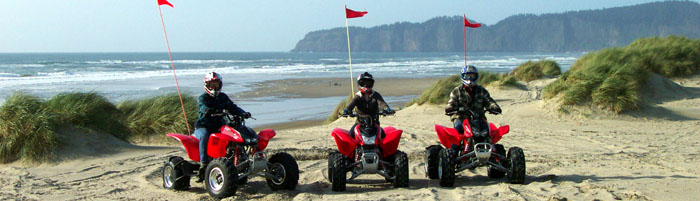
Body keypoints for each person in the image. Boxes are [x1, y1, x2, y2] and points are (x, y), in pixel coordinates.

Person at [194, 72, 251, 182]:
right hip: (203, 126)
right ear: (206, 85)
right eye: (211, 85)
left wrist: (243, 113)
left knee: (234, 135)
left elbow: (232, 107)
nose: (214, 88)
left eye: (216, 85)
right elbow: (202, 106)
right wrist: (207, 110)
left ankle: (239, 161)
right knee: (205, 135)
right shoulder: (203, 97)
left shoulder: (223, 97)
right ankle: (204, 164)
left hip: (219, 126)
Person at [445, 65, 502, 135]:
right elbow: (451, 101)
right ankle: (455, 146)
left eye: (472, 76)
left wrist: (494, 107)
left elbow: (489, 101)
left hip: (479, 118)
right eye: (467, 76)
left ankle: (490, 145)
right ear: (463, 77)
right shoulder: (457, 91)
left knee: (488, 132)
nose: (470, 78)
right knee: (458, 130)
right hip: (461, 118)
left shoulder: (482, 90)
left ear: (476, 77)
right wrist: (450, 107)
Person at [343, 72, 395, 138]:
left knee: (383, 137)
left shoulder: (376, 95)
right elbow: (351, 105)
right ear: (359, 84)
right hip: (360, 122)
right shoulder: (357, 96)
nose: (366, 86)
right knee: (350, 136)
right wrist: (346, 110)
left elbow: (382, 103)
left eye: (368, 83)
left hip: (374, 123)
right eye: (363, 83)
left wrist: (387, 109)